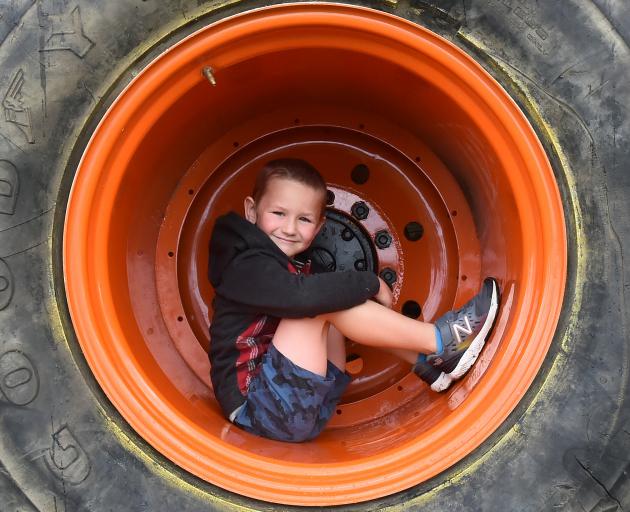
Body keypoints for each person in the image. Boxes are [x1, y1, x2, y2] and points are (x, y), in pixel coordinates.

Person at [208, 158, 499, 442]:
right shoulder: (243, 264)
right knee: (316, 302)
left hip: (304, 406)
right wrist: (370, 282)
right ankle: (441, 341)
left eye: (304, 219)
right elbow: (303, 297)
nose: (290, 228)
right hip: (258, 410)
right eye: (279, 213)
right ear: (251, 210)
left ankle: (429, 363)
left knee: (328, 299)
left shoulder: (293, 268)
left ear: (319, 227)